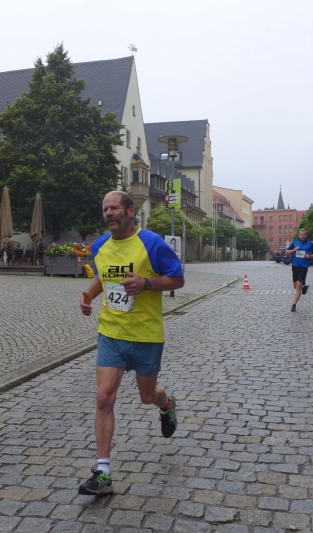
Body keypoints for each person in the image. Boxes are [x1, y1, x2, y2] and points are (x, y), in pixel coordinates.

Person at [78, 191, 184, 496]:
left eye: (114, 208)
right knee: (104, 397)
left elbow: (178, 279)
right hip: (111, 333)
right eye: (105, 209)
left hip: (146, 335)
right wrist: (89, 294)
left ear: (129, 211)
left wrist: (147, 283)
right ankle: (103, 472)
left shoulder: (152, 243)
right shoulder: (100, 247)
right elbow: (104, 278)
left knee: (147, 396)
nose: (109, 213)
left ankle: (166, 405)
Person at [284, 228, 313, 312]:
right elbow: (286, 252)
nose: (302, 236)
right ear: (299, 235)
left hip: (304, 267)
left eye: (304, 234)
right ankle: (304, 287)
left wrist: (310, 256)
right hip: (295, 266)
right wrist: (294, 250)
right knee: (295, 286)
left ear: (306, 235)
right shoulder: (295, 243)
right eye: (301, 234)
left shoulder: (310, 244)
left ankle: (293, 305)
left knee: (298, 287)